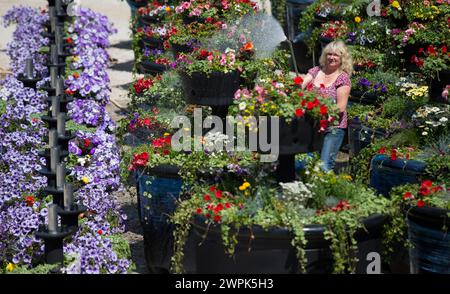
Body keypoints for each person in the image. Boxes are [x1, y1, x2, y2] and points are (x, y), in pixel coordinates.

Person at [301, 40, 352, 172]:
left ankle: (327, 191)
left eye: (336, 55)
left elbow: (341, 107)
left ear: (342, 59)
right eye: (329, 54)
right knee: (306, 163)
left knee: (324, 166)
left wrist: (319, 109)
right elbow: (301, 85)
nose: (331, 57)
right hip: (312, 125)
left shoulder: (343, 78)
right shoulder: (315, 71)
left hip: (333, 127)